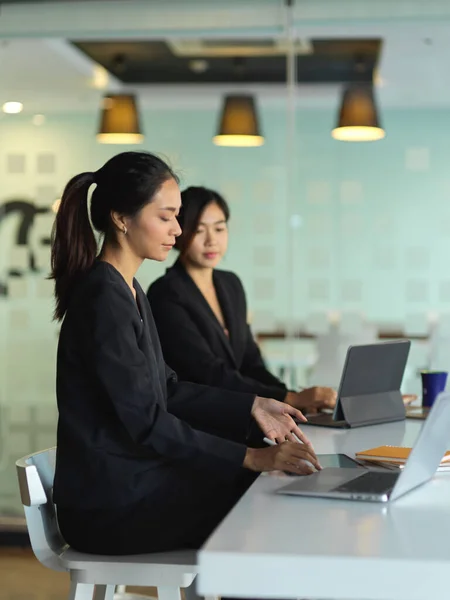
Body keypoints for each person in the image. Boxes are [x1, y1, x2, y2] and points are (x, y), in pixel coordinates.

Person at [50, 151, 321, 556]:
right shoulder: (103, 298)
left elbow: (169, 389)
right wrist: (250, 456)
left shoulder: (128, 289)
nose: (178, 230)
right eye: (166, 216)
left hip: (135, 485)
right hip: (110, 506)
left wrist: (253, 405)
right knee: (261, 504)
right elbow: (146, 421)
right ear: (121, 218)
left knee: (265, 493)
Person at [147, 186, 336, 414]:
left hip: (244, 413)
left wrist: (292, 400)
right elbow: (207, 372)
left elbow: (251, 362)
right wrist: (289, 398)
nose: (211, 241)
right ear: (180, 232)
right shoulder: (165, 293)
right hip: (200, 419)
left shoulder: (230, 284)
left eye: (219, 229)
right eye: (198, 231)